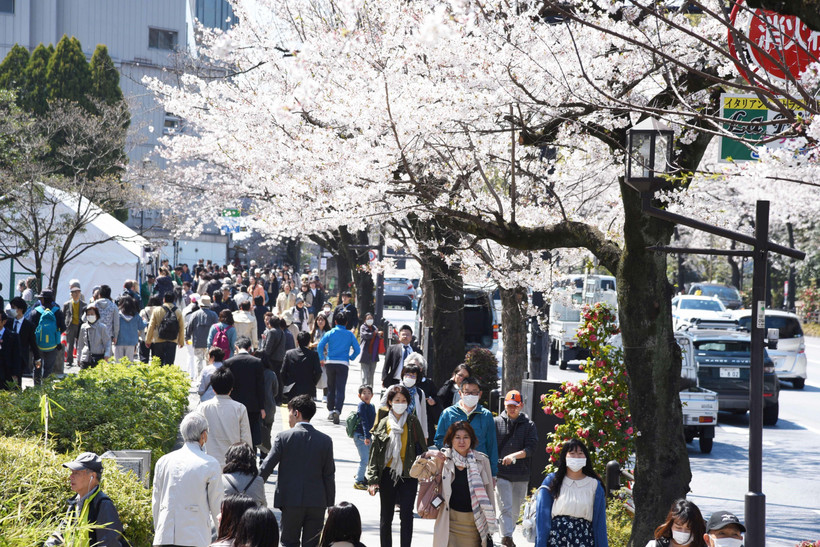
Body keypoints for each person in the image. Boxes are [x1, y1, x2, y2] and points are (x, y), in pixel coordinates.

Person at [260, 395, 335, 547]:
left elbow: (267, 466)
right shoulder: (325, 440)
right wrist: (330, 505)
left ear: (296, 413)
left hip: (291, 501)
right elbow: (329, 475)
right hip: (317, 503)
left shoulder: (283, 437)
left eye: (289, 412)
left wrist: (252, 485)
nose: (288, 416)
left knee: (288, 543)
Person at [365, 385, 426, 547]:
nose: (401, 403)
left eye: (404, 400)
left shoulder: (412, 421)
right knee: (386, 515)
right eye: (397, 400)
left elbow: (423, 448)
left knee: (406, 515)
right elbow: (374, 453)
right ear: (390, 402)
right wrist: (372, 479)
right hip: (387, 474)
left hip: (409, 475)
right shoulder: (384, 422)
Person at [152, 413, 223, 547]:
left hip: (165, 534)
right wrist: (222, 535)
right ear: (203, 435)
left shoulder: (163, 461)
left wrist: (158, 529)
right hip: (195, 535)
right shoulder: (210, 464)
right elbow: (217, 505)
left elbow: (156, 501)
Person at [431, 421, 497, 547]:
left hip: (474, 525)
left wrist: (490, 522)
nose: (462, 441)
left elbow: (489, 494)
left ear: (471, 439)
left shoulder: (482, 460)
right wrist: (428, 454)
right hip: (449, 523)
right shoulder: (443, 459)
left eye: (466, 437)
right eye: (457, 437)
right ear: (451, 440)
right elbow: (416, 473)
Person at [534, 438, 607, 547]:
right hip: (556, 538)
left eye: (580, 453)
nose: (576, 457)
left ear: (586, 457)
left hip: (584, 539)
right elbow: (542, 516)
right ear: (564, 457)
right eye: (572, 453)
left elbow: (600, 523)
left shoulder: (595, 485)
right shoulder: (552, 481)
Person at [45, 452, 125, 547]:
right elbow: (58, 536)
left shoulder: (103, 504)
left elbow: (109, 543)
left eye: (76, 473)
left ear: (93, 476)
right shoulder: (74, 503)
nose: (71, 476)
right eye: (71, 472)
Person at [495, 390, 539, 547]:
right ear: (505, 405)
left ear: (521, 405)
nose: (511, 409)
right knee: (505, 506)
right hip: (501, 474)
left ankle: (508, 534)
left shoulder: (529, 425)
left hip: (521, 474)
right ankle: (507, 537)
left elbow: (531, 448)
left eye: (515, 405)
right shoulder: (496, 422)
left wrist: (514, 456)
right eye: (509, 406)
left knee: (515, 510)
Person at [435, 377, 499, 478]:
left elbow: (492, 445)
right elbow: (439, 439)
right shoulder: (448, 413)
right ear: (460, 393)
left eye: (474, 392)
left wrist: (493, 473)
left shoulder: (486, 415)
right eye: (467, 392)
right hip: (454, 466)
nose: (471, 395)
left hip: (480, 467)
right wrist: (452, 453)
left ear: (480, 394)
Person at [197, 367, 253, 468]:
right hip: (233, 464)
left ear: (213, 389)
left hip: (207, 462)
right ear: (231, 388)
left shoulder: (203, 408)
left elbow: (197, 437)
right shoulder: (240, 408)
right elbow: (246, 439)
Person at [317, 311, 361, 424]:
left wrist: (322, 358)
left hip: (330, 362)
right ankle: (338, 410)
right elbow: (358, 349)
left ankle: (330, 411)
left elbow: (320, 345)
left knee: (331, 387)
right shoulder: (350, 334)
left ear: (335, 322)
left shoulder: (330, 333)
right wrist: (351, 357)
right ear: (346, 323)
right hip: (343, 363)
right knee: (340, 388)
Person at [224, 337, 266, 449]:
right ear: (249, 348)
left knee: (234, 433)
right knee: (251, 433)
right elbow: (260, 386)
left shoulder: (228, 362)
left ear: (236, 347)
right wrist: (262, 407)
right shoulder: (257, 362)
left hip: (233, 404)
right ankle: (250, 457)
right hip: (253, 405)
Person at [378, 363, 429, 440]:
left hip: (412, 432)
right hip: (393, 428)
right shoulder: (393, 389)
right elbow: (381, 407)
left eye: (413, 375)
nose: (409, 377)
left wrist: (424, 436)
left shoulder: (420, 393)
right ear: (402, 375)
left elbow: (423, 416)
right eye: (407, 374)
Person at [27, 288, 66, 383]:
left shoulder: (35, 312)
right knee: (49, 368)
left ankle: (37, 388)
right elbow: (63, 327)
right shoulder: (57, 311)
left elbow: (30, 327)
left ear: (43, 299)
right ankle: (46, 388)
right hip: (53, 345)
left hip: (38, 345)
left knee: (37, 366)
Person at [145, 292, 185, 366]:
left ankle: (158, 377)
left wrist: (148, 340)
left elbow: (151, 326)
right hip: (172, 340)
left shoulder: (157, 310)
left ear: (164, 299)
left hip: (158, 339)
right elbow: (181, 327)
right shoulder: (178, 311)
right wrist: (181, 341)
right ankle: (168, 377)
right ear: (173, 300)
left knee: (158, 364)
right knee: (169, 364)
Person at [222, 442, 267, 507]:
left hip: (229, 516)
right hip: (252, 516)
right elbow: (263, 505)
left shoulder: (222, 479)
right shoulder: (258, 481)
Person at [281, 331, 323, 400]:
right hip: (308, 389)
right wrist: (312, 383)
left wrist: (287, 383)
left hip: (291, 389)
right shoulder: (313, 355)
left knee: (293, 409)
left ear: (297, 341)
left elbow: (282, 372)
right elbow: (318, 372)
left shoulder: (289, 354)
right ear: (309, 342)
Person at [9, 297, 41, 382]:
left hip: (21, 357)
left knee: (17, 380)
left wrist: (37, 358)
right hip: (8, 356)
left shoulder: (29, 326)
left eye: (13, 308)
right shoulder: (8, 322)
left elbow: (33, 343)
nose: (11, 310)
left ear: (20, 309)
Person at [187, 294, 219, 377]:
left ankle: (199, 377)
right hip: (210, 342)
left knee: (198, 360)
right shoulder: (214, 315)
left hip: (198, 342)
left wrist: (187, 337)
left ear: (200, 304)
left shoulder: (195, 314)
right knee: (209, 361)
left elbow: (189, 327)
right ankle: (208, 378)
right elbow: (217, 328)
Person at [352, 384, 376, 490]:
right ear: (359, 395)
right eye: (364, 393)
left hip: (367, 436)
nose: (366, 395)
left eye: (369, 393)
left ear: (372, 395)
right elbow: (364, 421)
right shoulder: (361, 405)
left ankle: (360, 475)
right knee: (365, 459)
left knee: (370, 458)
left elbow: (373, 422)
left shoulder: (371, 406)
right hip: (361, 436)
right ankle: (358, 481)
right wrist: (367, 436)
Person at [77, 304, 113, 368]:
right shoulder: (83, 327)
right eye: (88, 314)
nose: (90, 316)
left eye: (92, 314)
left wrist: (107, 354)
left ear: (96, 315)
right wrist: (79, 357)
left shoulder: (102, 327)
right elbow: (80, 344)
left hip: (98, 357)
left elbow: (107, 342)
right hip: (85, 357)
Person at [113, 296, 146, 361]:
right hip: (131, 342)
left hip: (119, 341)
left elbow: (115, 326)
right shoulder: (136, 315)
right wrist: (144, 321)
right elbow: (141, 326)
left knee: (118, 363)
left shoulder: (118, 315)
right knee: (129, 363)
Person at [62, 280, 86, 369]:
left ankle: (80, 360)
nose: (76, 294)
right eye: (74, 293)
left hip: (80, 326)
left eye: (78, 292)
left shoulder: (84, 304)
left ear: (80, 293)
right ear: (71, 294)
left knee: (80, 344)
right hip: (70, 325)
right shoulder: (67, 304)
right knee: (69, 344)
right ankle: (69, 360)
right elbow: (63, 315)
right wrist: (65, 325)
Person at [358, 312, 382, 387]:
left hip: (373, 354)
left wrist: (379, 334)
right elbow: (366, 335)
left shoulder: (374, 327)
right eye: (368, 319)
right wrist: (374, 333)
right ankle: (364, 388)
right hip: (365, 353)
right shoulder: (363, 327)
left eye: (371, 318)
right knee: (365, 373)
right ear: (365, 320)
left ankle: (370, 388)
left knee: (371, 373)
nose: (370, 320)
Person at [0, 311, 22, 390]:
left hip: (7, 373)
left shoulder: (13, 336)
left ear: (4, 321)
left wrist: (15, 374)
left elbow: (16, 356)